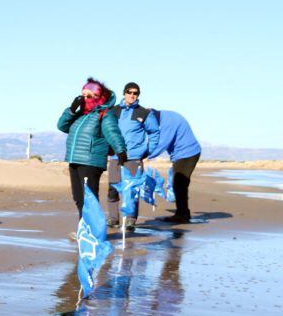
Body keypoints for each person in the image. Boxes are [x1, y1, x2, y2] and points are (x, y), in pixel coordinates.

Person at [57, 78, 127, 220]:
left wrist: (120, 150)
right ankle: (85, 229)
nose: (84, 99)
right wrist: (71, 110)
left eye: (88, 96)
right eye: (82, 95)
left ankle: (94, 232)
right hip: (74, 159)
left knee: (90, 198)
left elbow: (112, 132)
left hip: (91, 161)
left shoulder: (105, 113)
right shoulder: (80, 114)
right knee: (78, 198)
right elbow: (62, 126)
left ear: (98, 97)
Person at [106, 82, 160, 229]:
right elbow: (106, 131)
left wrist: (148, 151)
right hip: (116, 156)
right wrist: (107, 150)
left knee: (132, 189)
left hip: (134, 158)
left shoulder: (144, 113)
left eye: (135, 93)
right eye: (129, 92)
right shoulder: (113, 111)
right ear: (124, 93)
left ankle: (130, 220)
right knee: (113, 188)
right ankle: (113, 218)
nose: (132, 95)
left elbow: (154, 132)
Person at [147, 110, 201, 223]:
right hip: (183, 154)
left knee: (179, 184)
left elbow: (162, 143)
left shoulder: (167, 121)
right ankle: (183, 213)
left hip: (188, 153)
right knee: (179, 184)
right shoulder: (163, 117)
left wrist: (142, 156)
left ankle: (182, 215)